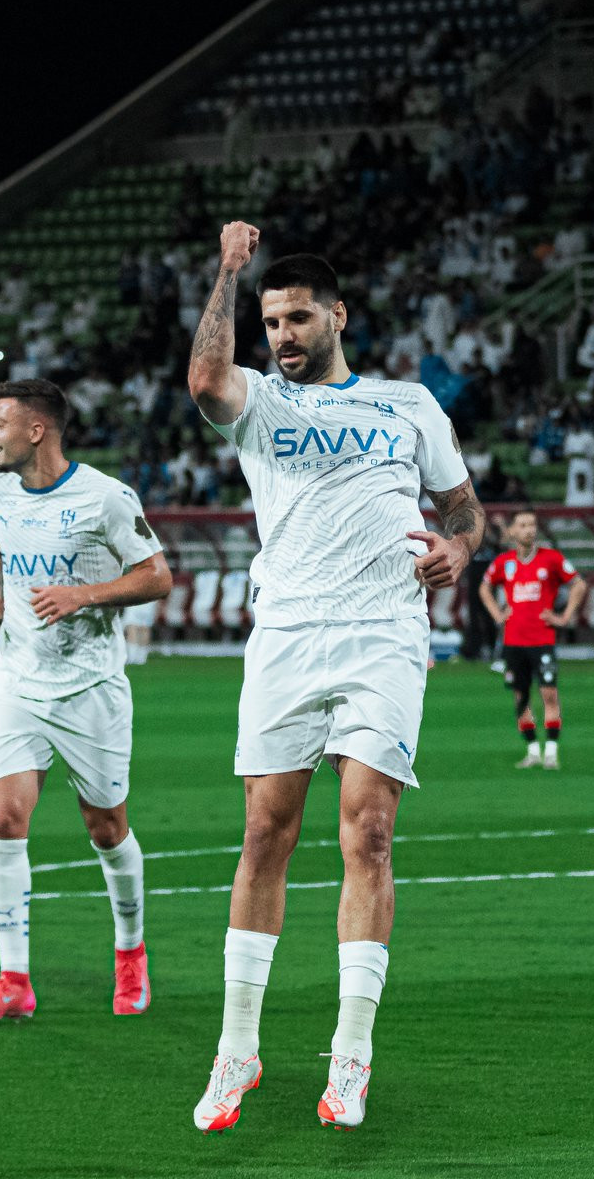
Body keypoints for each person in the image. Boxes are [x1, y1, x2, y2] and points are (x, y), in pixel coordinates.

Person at [187, 228, 485, 1134]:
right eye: (272, 321)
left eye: (298, 318)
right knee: (265, 833)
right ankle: (238, 1047)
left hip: (384, 634)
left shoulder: (408, 404)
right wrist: (228, 273)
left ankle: (350, 1057)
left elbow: (464, 508)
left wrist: (458, 549)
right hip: (286, 634)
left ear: (338, 316)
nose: (282, 334)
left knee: (371, 833)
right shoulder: (261, 402)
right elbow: (205, 381)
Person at [0, 378, 172, 1021]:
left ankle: (130, 952)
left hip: (90, 689)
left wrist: (83, 594)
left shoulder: (106, 498)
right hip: (17, 681)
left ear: (36, 431)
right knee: (4, 821)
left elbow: (157, 576)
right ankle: (13, 982)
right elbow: (0, 549)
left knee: (106, 829)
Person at [478, 508, 587, 770]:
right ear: (512, 531)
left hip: (542, 639)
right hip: (514, 641)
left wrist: (564, 616)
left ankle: (551, 752)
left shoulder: (551, 559)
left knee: (549, 692)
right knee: (521, 696)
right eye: (523, 525)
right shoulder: (505, 562)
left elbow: (579, 584)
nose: (530, 530)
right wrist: (497, 614)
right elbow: (484, 587)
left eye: (532, 525)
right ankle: (532, 751)